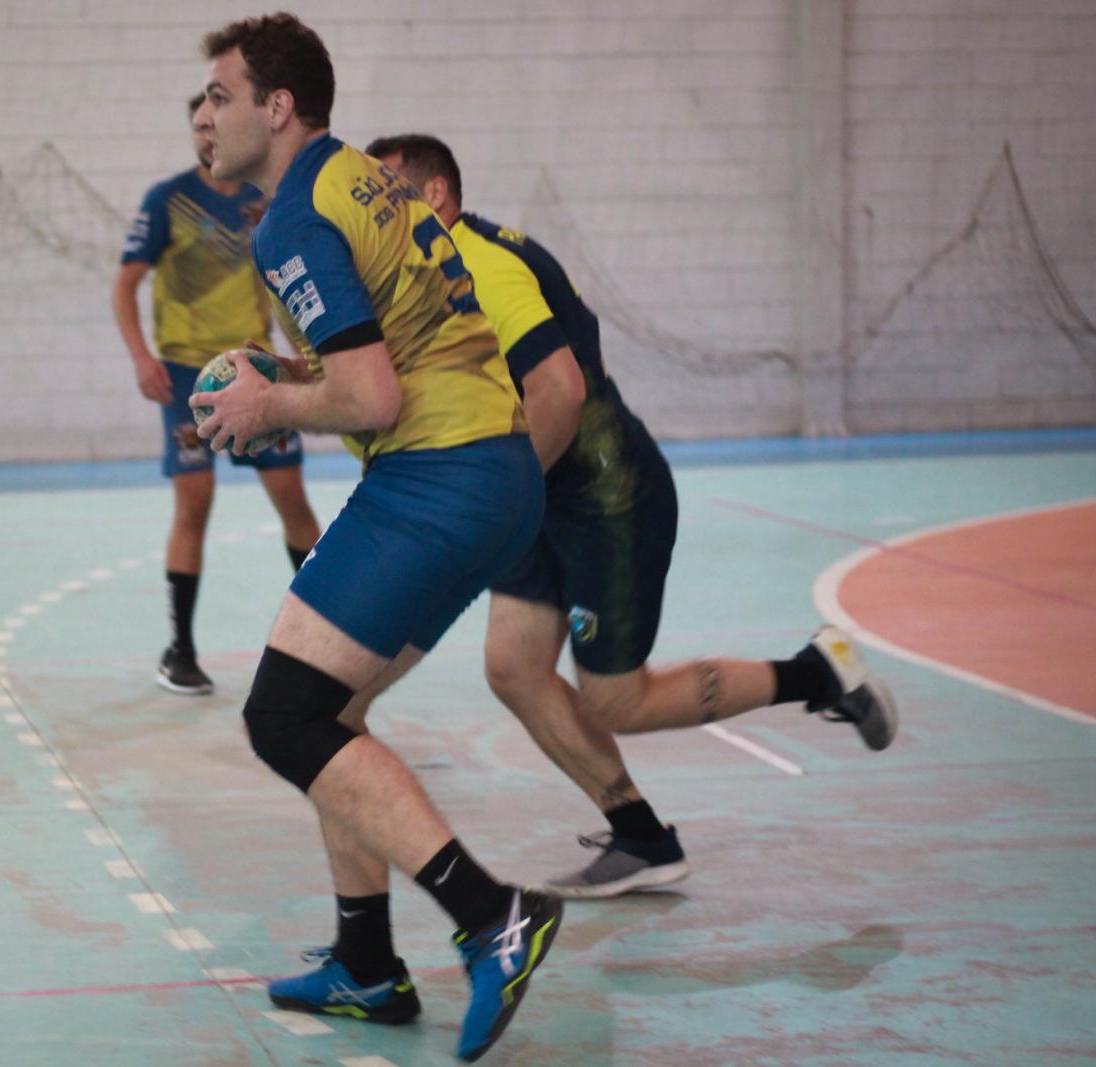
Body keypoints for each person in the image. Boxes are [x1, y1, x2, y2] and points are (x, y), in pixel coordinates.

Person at [360, 133, 901, 898]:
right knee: (514, 669)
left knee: (618, 698)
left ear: (437, 194)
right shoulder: (434, 268)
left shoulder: (484, 260)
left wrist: (499, 496)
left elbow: (563, 392)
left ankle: (817, 673)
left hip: (605, 496)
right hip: (539, 490)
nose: (376, 212)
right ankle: (642, 836)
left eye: (387, 194)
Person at [188, 15, 561, 1062]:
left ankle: (492, 914)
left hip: (438, 474)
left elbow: (372, 390)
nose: (205, 115)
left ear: (279, 107)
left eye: (222, 94)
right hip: (491, 469)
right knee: (334, 710)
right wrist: (282, 377)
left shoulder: (292, 219)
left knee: (285, 713)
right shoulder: (359, 178)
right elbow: (377, 361)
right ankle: (365, 962)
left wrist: (268, 407)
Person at [111, 92, 321, 696]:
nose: (209, 136)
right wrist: (141, 358)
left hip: (253, 370)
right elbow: (124, 285)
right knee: (194, 502)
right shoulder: (167, 201)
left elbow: (290, 284)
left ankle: (316, 639)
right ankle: (180, 648)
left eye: (218, 123)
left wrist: (301, 360)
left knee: (291, 498)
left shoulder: (267, 204)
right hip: (187, 376)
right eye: (200, 127)